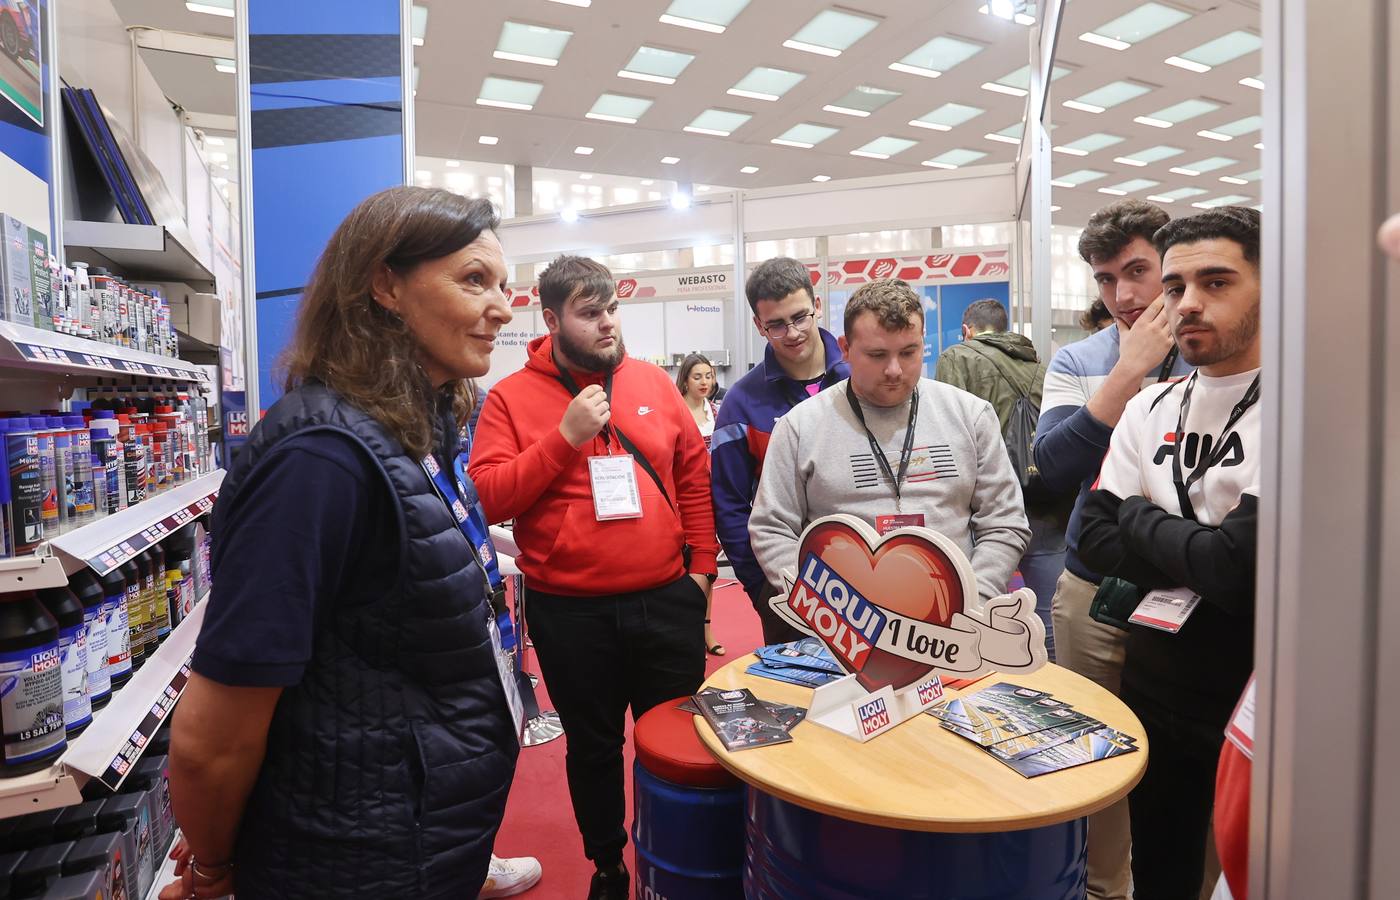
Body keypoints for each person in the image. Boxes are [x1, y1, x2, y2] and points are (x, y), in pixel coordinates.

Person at [160, 188, 520, 899]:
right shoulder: (321, 457)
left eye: (504, 284)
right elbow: (214, 735)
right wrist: (212, 867)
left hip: (416, 837)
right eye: (474, 280)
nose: (504, 307)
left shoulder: (413, 431)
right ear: (385, 285)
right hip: (352, 859)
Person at [468, 255, 718, 900]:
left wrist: (701, 573)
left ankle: (682, 860)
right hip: (571, 612)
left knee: (680, 740)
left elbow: (692, 477)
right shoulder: (510, 397)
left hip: (667, 600)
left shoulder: (652, 384)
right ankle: (607, 865)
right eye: (590, 312)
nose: (607, 322)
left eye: (612, 308)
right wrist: (564, 437)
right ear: (551, 319)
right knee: (595, 747)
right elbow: (488, 498)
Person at [1079, 207, 1263, 900]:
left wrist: (1139, 517)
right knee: (1160, 869)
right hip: (1154, 680)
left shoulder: (1305, 406)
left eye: (1216, 282)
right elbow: (1093, 540)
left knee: (1250, 873)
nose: (1187, 304)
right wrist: (1201, 544)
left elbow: (1238, 572)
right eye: (1177, 285)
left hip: (1253, 692)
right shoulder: (1148, 405)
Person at [1032, 199, 1193, 900]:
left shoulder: (1220, 347)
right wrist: (1131, 371)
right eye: (1105, 279)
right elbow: (1053, 466)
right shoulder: (1081, 358)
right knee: (1094, 758)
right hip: (1092, 589)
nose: (1124, 295)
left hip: (1194, 595)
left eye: (1137, 271)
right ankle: (1102, 891)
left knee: (1186, 763)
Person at [749, 278, 1029, 602]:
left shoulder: (971, 416)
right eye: (877, 355)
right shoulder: (800, 427)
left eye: (909, 352)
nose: (895, 370)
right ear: (845, 349)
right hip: (842, 629)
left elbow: (1004, 522)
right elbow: (772, 530)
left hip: (956, 626)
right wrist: (828, 609)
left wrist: (973, 601)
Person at [711, 257, 850, 644]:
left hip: (869, 582)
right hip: (784, 591)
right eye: (776, 324)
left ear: (817, 306)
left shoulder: (858, 383)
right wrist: (760, 585)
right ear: (759, 325)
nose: (792, 333)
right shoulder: (741, 402)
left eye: (800, 317)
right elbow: (730, 505)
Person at [934, 299, 1071, 659]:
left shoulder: (957, 357)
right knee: (1048, 622)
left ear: (968, 330)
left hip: (988, 510)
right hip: (1045, 501)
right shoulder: (1040, 367)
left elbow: (947, 437)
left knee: (973, 617)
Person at [675, 352, 725, 656]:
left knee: (708, 566)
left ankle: (707, 629)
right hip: (682, 497)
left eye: (708, 375)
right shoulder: (675, 408)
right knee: (682, 564)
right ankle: (685, 630)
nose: (704, 382)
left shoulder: (717, 411)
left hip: (712, 495)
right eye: (697, 376)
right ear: (685, 379)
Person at [676, 353, 720, 447]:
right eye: (697, 378)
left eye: (708, 377)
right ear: (685, 381)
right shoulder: (675, 413)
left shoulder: (717, 411)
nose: (704, 382)